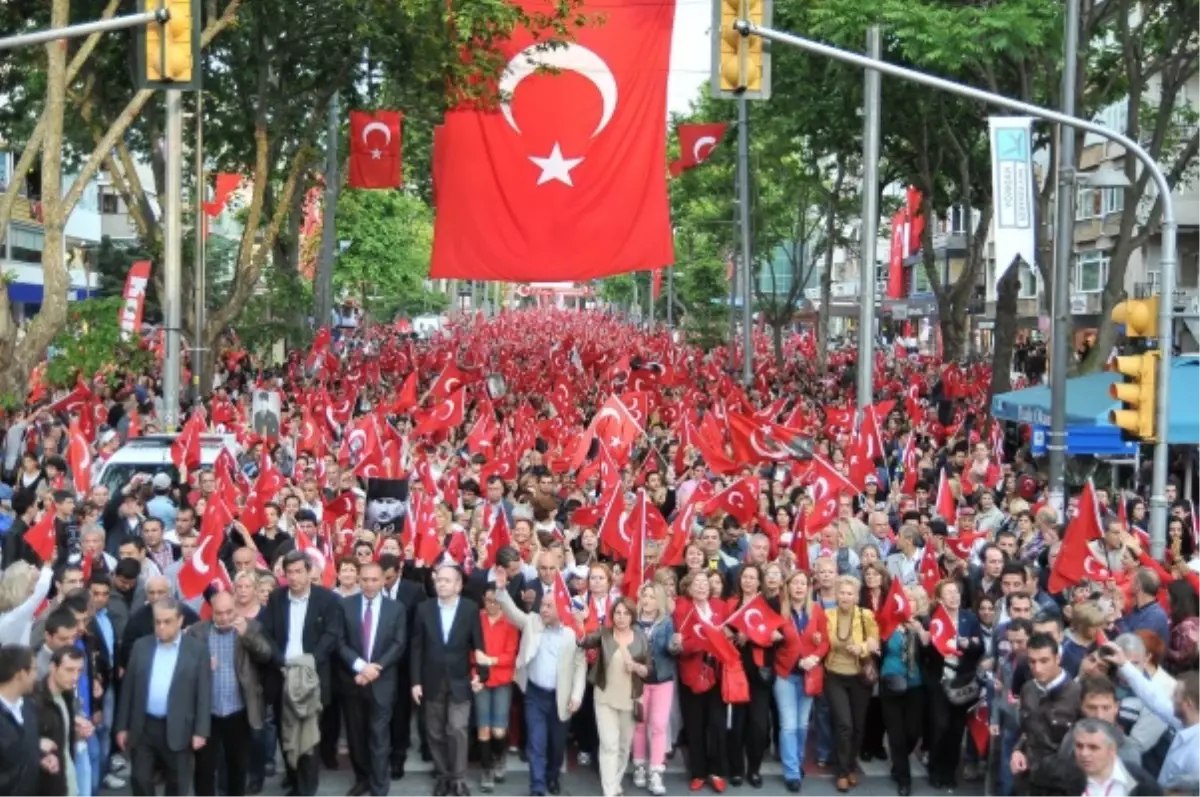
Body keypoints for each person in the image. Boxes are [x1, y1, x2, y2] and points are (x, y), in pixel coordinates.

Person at [494, 563, 585, 797]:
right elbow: (513, 613)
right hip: (534, 695)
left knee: (556, 746)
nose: (543, 610)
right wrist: (502, 590)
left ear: (560, 609)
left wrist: (576, 696)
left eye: (548, 606)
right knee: (536, 744)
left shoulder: (570, 634)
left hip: (560, 698)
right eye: (542, 605)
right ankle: (537, 787)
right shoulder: (532, 622)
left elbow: (579, 667)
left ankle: (552, 776)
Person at [260, 550, 342, 797]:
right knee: (286, 732)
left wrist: (309, 662)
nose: (293, 577)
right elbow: (267, 635)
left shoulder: (327, 599)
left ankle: (306, 789)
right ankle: (294, 779)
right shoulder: (276, 598)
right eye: (289, 572)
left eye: (298, 571)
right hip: (282, 675)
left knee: (308, 736)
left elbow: (332, 635)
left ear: (309, 573)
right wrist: (280, 662)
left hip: (311, 677)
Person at [115, 597, 212, 797]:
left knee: (177, 783)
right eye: (157, 621)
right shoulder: (141, 646)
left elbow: (203, 693)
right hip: (144, 726)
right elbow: (128, 689)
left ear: (180, 620)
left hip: (179, 726)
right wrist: (122, 726)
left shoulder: (197, 650)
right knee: (140, 779)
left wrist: (201, 731)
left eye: (167, 621)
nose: (161, 627)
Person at [186, 591, 274, 797]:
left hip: (238, 710)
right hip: (208, 712)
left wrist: (247, 635)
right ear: (211, 612)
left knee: (237, 766)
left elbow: (266, 654)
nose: (224, 618)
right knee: (204, 769)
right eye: (219, 613)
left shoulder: (250, 627)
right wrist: (201, 665)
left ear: (235, 608)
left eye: (229, 612)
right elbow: (184, 666)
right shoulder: (198, 631)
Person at [411, 564, 488, 797]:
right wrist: (415, 681)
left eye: (446, 580)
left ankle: (458, 779)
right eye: (438, 580)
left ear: (458, 585)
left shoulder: (470, 608)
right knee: (434, 732)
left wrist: (482, 674)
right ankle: (443, 776)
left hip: (460, 681)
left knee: (458, 729)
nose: (441, 584)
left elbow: (479, 644)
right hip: (431, 680)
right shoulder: (424, 609)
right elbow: (416, 648)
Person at [336, 562, 408, 797]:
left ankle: (379, 786)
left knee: (379, 737)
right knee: (356, 737)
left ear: (382, 580)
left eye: (374, 579)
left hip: (382, 682)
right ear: (359, 579)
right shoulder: (345, 606)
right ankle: (362, 779)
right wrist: (360, 666)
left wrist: (377, 668)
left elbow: (399, 644)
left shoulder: (396, 608)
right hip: (353, 680)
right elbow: (339, 641)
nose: (369, 584)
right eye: (364, 579)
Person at [579, 597, 650, 797]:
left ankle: (615, 782)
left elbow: (649, 669)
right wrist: (579, 623)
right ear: (612, 616)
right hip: (605, 698)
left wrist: (636, 667)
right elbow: (584, 642)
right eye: (617, 613)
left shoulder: (641, 638)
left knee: (623, 747)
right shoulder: (604, 634)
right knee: (609, 745)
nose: (621, 617)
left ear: (632, 616)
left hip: (630, 700)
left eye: (625, 613)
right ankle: (609, 791)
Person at [0, 644, 59, 797]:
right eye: (34, 669)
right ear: (20, 673)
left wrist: (39, 758)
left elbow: (18, 750)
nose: (36, 674)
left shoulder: (28, 707)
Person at [31, 645, 86, 797]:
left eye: (79, 671)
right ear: (52, 667)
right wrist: (38, 746)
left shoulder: (66, 695)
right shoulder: (34, 701)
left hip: (68, 780)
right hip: (47, 787)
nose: (75, 677)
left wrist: (74, 724)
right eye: (69, 670)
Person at [1069, 718, 1164, 797]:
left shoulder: (1139, 780)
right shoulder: (1062, 778)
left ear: (1112, 750)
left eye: (1093, 748)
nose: (1084, 753)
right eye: (1079, 746)